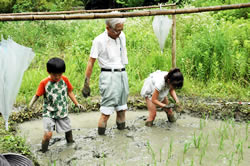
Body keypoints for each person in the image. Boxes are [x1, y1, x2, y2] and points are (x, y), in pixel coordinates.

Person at [82, 17, 129, 135]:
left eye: (121, 30)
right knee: (106, 112)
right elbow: (91, 62)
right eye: (116, 31)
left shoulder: (122, 36)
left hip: (122, 73)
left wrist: (119, 33)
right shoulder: (99, 40)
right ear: (107, 28)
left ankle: (122, 136)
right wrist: (86, 84)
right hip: (109, 75)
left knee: (122, 109)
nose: (119, 33)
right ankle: (101, 138)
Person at [29, 57, 83, 153]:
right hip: (49, 112)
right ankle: (43, 151)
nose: (57, 77)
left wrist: (77, 103)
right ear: (48, 72)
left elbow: (69, 92)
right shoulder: (44, 83)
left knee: (68, 130)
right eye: (54, 75)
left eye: (60, 74)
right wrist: (30, 105)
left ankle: (71, 146)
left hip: (62, 111)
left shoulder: (65, 80)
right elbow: (37, 95)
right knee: (48, 135)